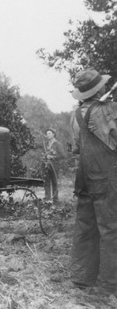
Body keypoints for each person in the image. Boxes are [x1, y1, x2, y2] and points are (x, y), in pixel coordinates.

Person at [69, 68, 117, 295]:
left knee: (85, 226)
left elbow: (77, 148)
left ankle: (82, 277)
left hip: (83, 177)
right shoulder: (105, 110)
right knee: (110, 229)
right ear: (100, 90)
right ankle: (110, 285)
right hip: (104, 175)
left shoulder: (75, 114)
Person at [43, 128, 63, 202]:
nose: (47, 135)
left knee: (55, 182)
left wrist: (53, 157)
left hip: (54, 166)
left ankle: (55, 199)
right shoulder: (45, 144)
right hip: (46, 165)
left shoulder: (58, 144)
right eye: (47, 133)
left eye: (49, 133)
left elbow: (63, 155)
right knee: (46, 182)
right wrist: (44, 156)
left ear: (53, 134)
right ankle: (47, 199)